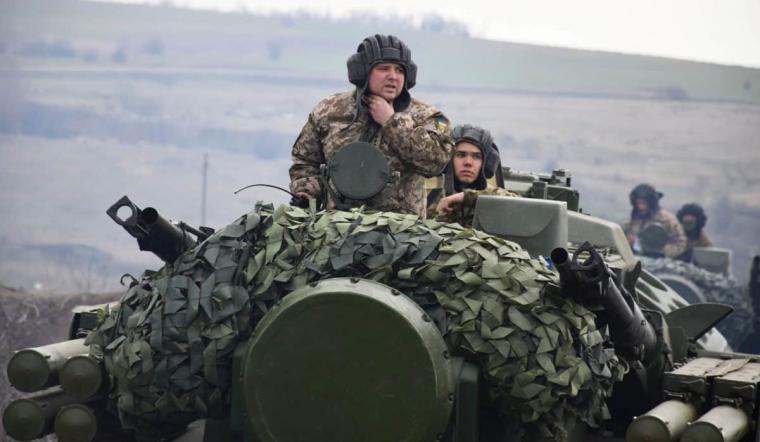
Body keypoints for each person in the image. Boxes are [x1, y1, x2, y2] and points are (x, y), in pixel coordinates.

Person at [289, 34, 453, 217]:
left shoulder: (427, 117)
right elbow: (305, 160)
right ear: (363, 72)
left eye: (399, 70)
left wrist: (392, 123)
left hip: (401, 229)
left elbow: (435, 163)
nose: (393, 77)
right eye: (384, 69)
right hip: (339, 225)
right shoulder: (329, 111)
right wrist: (307, 193)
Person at [427, 124, 516, 225]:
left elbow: (518, 203)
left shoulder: (493, 198)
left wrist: (466, 197)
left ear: (486, 163)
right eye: (461, 155)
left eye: (476, 156)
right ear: (448, 159)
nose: (468, 162)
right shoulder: (429, 198)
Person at [623, 183, 687, 258]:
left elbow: (680, 243)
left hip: (659, 260)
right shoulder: (631, 220)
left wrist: (658, 251)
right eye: (638, 203)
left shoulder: (666, 219)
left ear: (651, 203)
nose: (641, 207)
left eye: (644, 203)